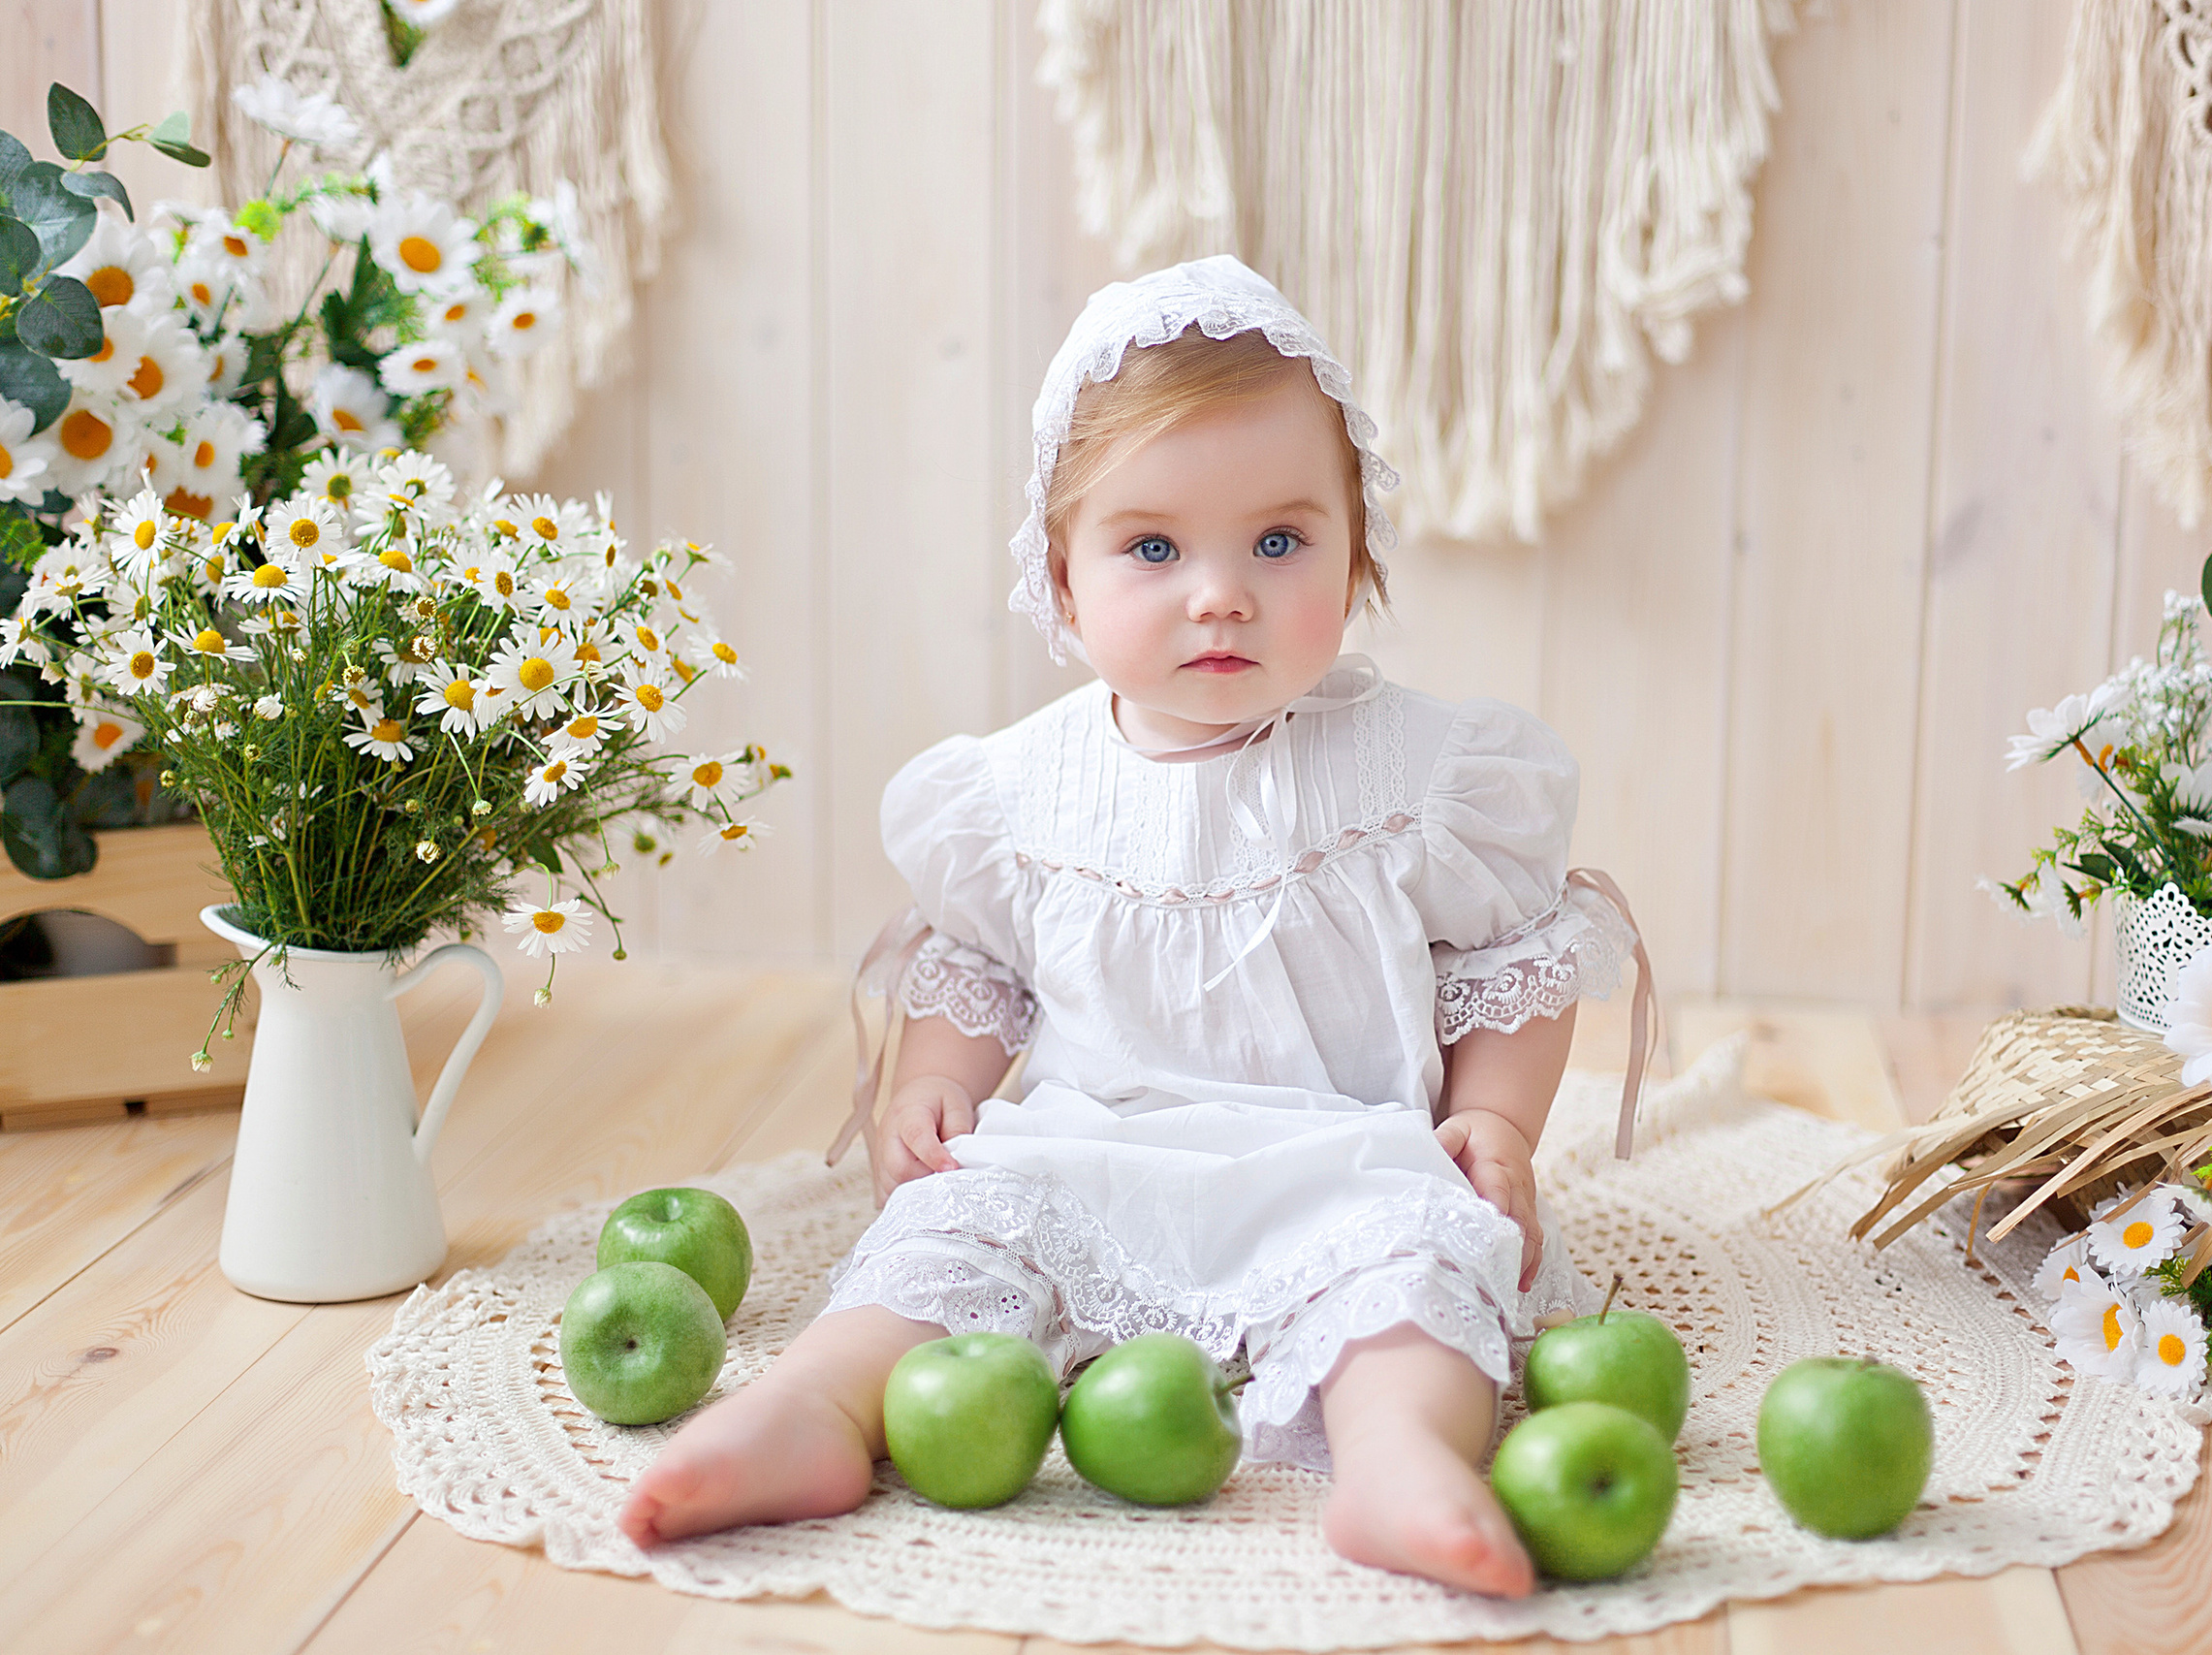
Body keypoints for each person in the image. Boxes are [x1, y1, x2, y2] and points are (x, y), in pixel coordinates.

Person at [617, 256, 1647, 1598]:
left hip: (1344, 1159)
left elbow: (1514, 960)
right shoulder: (1017, 795)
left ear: (1358, 553)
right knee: (945, 1248)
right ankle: (810, 1410)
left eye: (1280, 543)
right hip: (1081, 1154)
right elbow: (978, 969)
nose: (1220, 592)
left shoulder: (1418, 776)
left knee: (1420, 1275)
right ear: (1062, 574)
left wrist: (1495, 1125)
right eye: (1153, 548)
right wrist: (933, 1088)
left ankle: (1399, 1461)